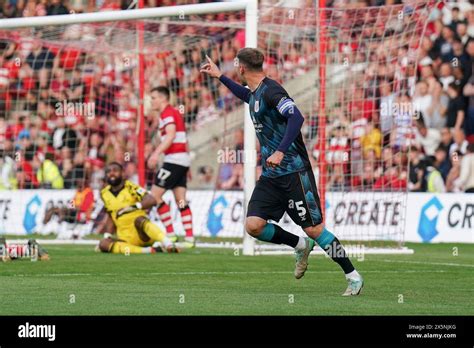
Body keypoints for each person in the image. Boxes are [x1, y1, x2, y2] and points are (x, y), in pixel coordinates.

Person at [200, 48, 363, 296]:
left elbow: (296, 118)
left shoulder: (273, 91)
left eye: (236, 67)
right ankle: (299, 245)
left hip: (295, 172)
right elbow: (245, 95)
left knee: (315, 230)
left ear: (242, 68)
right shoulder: (255, 93)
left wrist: (280, 151)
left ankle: (353, 276)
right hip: (271, 176)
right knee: (253, 226)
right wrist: (220, 76)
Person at [147, 86, 195, 247]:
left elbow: (171, 134)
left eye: (153, 98)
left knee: (154, 196)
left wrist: (155, 153)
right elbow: (185, 139)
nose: (151, 101)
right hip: (182, 160)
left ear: (163, 98)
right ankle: (189, 238)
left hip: (174, 160)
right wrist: (188, 165)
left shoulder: (167, 113)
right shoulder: (173, 112)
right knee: (180, 199)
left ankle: (170, 234)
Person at [98, 162, 178, 255]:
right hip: (125, 238)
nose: (111, 173)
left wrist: (133, 207)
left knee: (139, 219)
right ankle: (149, 251)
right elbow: (110, 216)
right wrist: (108, 234)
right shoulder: (104, 193)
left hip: (142, 234)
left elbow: (151, 200)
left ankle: (168, 243)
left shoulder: (131, 187)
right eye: (108, 171)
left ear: (123, 173)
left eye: (115, 170)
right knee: (103, 244)